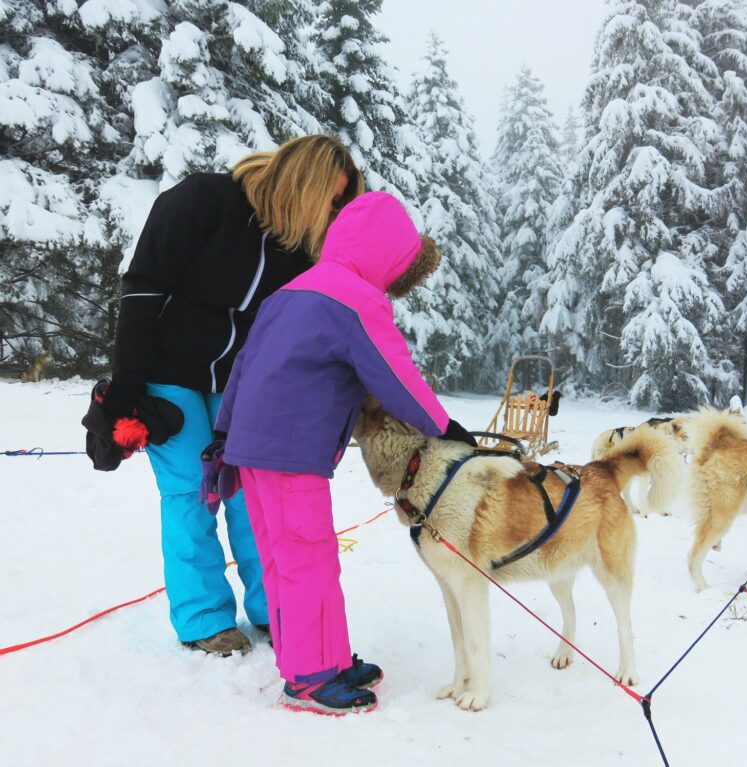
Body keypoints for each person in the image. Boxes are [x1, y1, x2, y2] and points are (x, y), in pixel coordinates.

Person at [211, 191, 478, 715]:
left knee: (286, 560)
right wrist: (445, 426)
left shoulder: (287, 293)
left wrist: (224, 435)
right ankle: (310, 679)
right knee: (307, 560)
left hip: (251, 449)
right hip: (290, 455)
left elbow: (242, 366)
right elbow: (395, 373)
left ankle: (319, 660)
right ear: (386, 255)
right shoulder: (357, 300)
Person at [99, 135, 363, 656]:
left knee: (250, 491)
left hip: (240, 383)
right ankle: (203, 618)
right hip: (166, 374)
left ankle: (275, 608)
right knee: (192, 492)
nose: (336, 213)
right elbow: (145, 288)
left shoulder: (302, 248)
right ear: (303, 183)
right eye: (332, 200)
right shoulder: (204, 200)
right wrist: (126, 389)